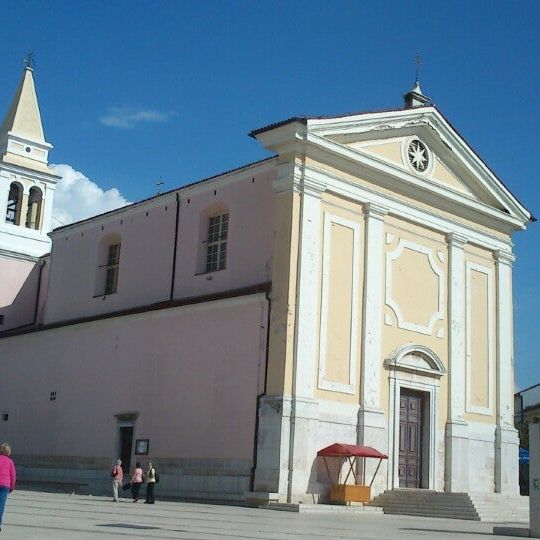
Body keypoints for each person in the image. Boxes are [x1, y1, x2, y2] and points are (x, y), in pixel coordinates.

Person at [0, 443, 16, 532]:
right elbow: (13, 475)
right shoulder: (10, 461)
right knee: (1, 505)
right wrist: (12, 487)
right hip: (5, 486)